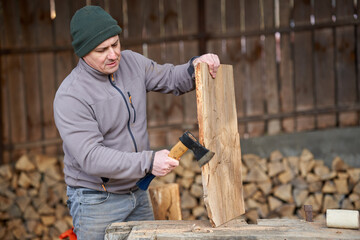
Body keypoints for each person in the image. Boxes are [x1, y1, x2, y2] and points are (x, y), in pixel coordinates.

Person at [53, 5, 220, 240]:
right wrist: (149, 161)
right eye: (102, 50)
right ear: (83, 52)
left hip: (137, 192)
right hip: (97, 200)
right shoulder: (71, 96)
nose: (113, 54)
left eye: (115, 44)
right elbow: (91, 157)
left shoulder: (131, 62)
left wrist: (196, 67)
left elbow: (171, 78)